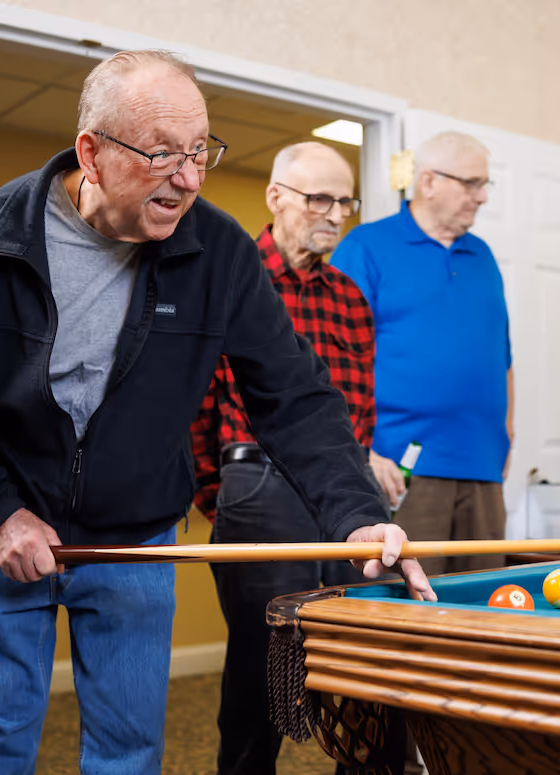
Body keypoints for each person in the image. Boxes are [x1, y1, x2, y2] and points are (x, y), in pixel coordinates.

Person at [0, 49, 434, 774]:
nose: (188, 177)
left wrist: (355, 514)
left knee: (130, 751)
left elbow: (294, 398)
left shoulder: (219, 254)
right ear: (93, 152)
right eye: (162, 154)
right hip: (1, 533)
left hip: (136, 536)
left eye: (200, 151)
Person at [189, 142, 392, 775]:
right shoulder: (230, 276)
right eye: (319, 198)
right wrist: (221, 493)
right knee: (263, 667)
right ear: (276, 197)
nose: (334, 214)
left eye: (345, 202)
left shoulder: (350, 297)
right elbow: (194, 403)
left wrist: (360, 479)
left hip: (345, 491)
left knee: (364, 656)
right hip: (258, 487)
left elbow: (357, 403)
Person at [332, 131, 514, 579]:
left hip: (484, 466)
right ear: (429, 182)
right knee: (403, 610)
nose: (483, 197)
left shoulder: (483, 256)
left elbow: (502, 353)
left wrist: (507, 431)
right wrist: (362, 451)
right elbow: (331, 361)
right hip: (401, 466)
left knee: (485, 610)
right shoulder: (365, 248)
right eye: (472, 183)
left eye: (485, 184)